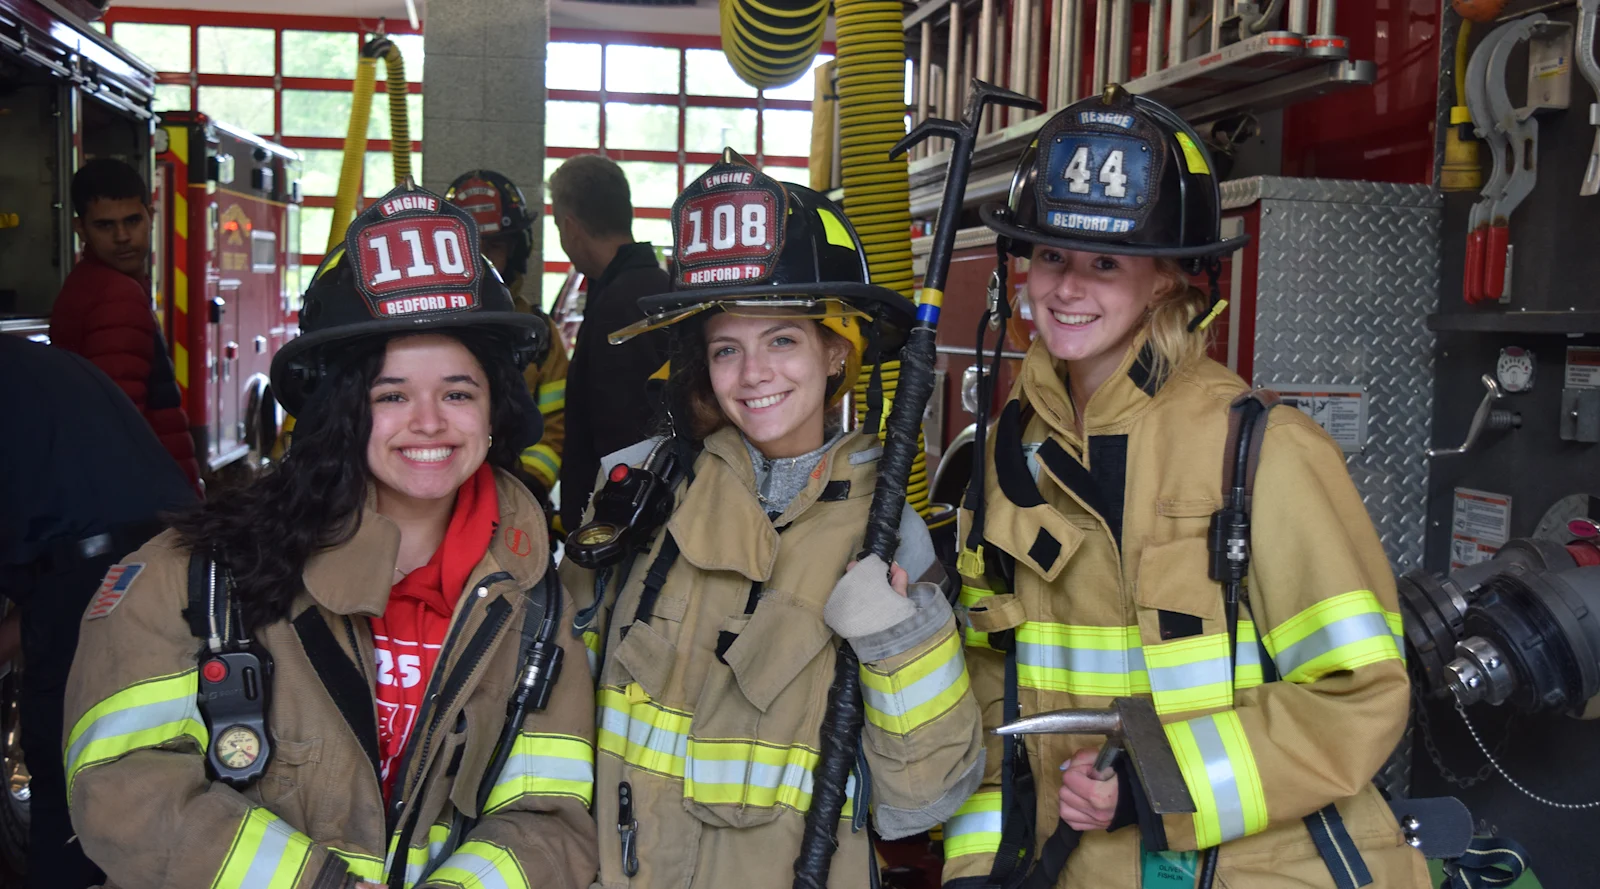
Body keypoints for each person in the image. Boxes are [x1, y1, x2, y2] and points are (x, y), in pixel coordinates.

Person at [938, 87, 1429, 889]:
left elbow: (1361, 696)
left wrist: (1153, 782)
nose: (1067, 288)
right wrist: (976, 869)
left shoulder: (1263, 451)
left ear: (1166, 280)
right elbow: (998, 702)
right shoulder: (1007, 456)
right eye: (1052, 255)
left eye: (1105, 263)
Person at [62, 184, 598, 889]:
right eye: (391, 394)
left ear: (495, 409)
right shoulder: (196, 579)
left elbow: (550, 817)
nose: (430, 421)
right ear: (343, 411)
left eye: (458, 392)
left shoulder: (535, 602)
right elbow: (121, 785)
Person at [561, 154, 985, 889]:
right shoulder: (637, 500)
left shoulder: (889, 535)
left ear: (836, 351)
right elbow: (558, 711)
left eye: (783, 339)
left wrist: (898, 641)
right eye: (727, 348)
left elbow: (925, 795)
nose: (753, 373)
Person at [0, 336, 197, 889]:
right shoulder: (39, 361)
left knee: (70, 781)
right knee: (150, 766)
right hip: (169, 560)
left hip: (92, 570)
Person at [50, 157, 200, 491]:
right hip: (149, 493)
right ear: (80, 229)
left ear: (150, 216)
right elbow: (119, 425)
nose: (122, 237)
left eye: (132, 220)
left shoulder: (87, 284)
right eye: (105, 225)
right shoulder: (116, 295)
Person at [549, 154, 671, 533]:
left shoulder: (619, 307)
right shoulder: (655, 288)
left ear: (570, 227)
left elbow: (622, 436)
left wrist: (600, 529)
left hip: (618, 524)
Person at [446, 170, 570, 505]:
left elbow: (556, 426)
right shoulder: (421, 327)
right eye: (471, 247)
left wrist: (525, 486)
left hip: (515, 502)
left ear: (515, 250)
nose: (482, 259)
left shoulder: (537, 333)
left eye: (495, 246)